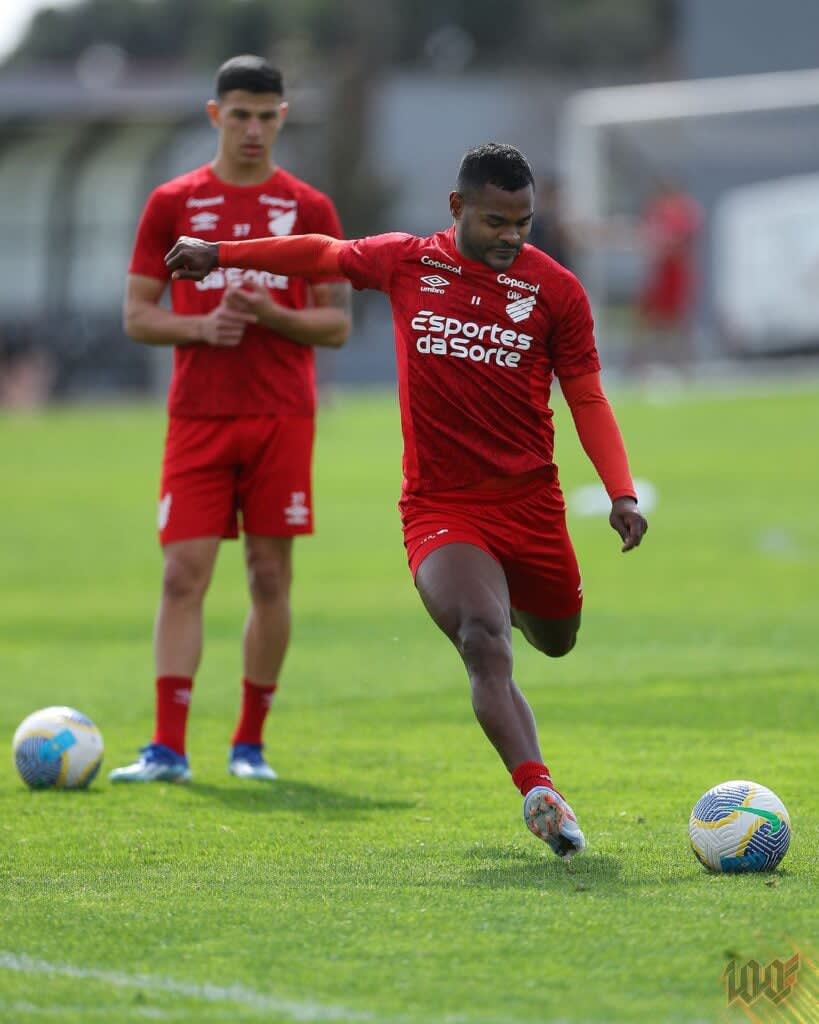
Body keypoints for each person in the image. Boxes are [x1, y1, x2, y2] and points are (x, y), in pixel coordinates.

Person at [165, 143, 647, 857]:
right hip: (441, 506)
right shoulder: (406, 261)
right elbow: (319, 254)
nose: (511, 236)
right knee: (483, 641)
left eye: (523, 222)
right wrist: (220, 251)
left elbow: (585, 395)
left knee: (555, 639)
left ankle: (502, 598)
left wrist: (620, 492)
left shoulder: (558, 293)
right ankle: (539, 790)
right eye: (494, 221)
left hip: (530, 507)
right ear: (456, 209)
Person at [109, 55, 352, 784]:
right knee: (182, 576)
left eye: (266, 115)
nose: (252, 128)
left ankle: (249, 745)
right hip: (198, 417)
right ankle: (167, 748)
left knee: (268, 578)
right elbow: (136, 314)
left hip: (281, 415)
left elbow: (335, 324)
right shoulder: (172, 203)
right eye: (239, 114)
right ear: (215, 116)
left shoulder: (309, 209)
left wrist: (274, 314)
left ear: (282, 118)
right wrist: (197, 329)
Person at [633, 177, 703, 371]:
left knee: (676, 322)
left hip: (675, 271)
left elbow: (681, 239)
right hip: (661, 271)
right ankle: (641, 365)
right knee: (650, 321)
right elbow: (650, 239)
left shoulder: (683, 210)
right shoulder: (658, 211)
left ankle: (682, 365)